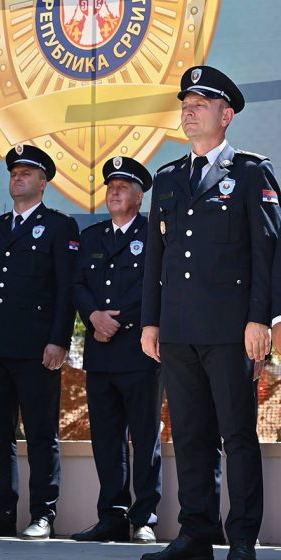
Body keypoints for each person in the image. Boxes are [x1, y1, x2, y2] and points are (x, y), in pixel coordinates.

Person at [141, 66, 278, 560]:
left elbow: (267, 250)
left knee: (237, 434)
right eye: (185, 104)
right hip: (178, 330)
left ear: (227, 115)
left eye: (201, 103)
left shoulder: (249, 172)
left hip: (230, 330)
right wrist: (150, 321)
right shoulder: (169, 178)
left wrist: (262, 319)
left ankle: (242, 537)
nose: (189, 111)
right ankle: (196, 534)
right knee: (192, 435)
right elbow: (157, 259)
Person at [0, 144, 79, 540]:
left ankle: (43, 514)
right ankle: (1, 512)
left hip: (37, 350)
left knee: (40, 433)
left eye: (27, 172)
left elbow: (66, 289)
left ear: (43, 182)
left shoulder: (59, 226)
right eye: (14, 172)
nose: (18, 177)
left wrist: (59, 340)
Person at [70, 156, 161, 544]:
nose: (115, 191)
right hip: (101, 353)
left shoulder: (154, 234)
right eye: (111, 186)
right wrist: (92, 316)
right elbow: (77, 284)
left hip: (139, 352)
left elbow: (156, 287)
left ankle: (144, 519)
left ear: (139, 197)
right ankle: (111, 517)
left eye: (123, 186)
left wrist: (116, 321)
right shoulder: (91, 237)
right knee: (106, 439)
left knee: (144, 438)